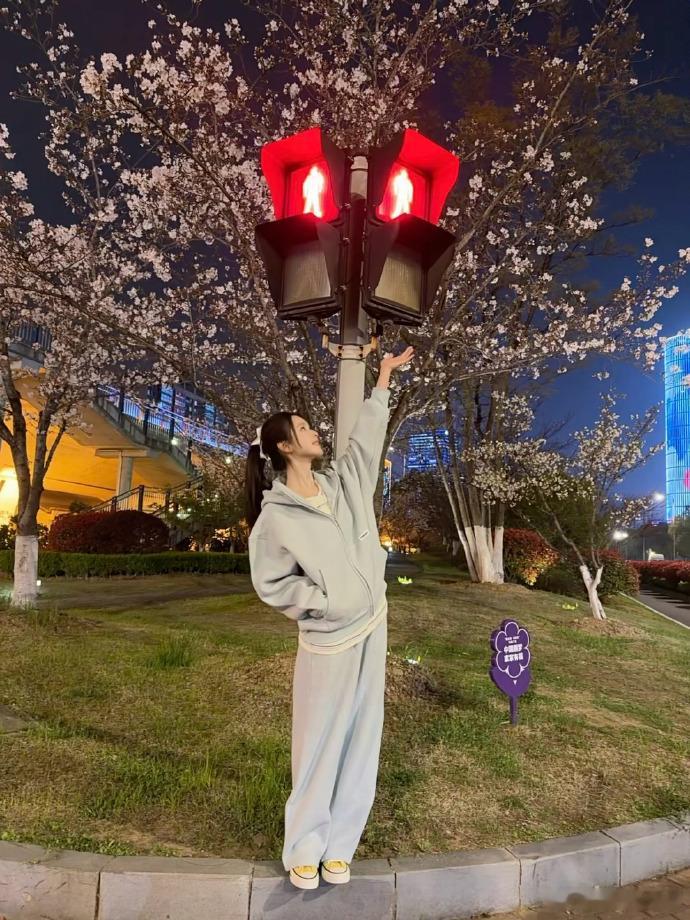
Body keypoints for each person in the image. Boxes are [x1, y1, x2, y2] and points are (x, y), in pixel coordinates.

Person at [245, 346, 414, 890]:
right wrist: (323, 602)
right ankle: (304, 847)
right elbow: (271, 583)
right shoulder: (276, 516)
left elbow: (366, 442)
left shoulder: (343, 484)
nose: (314, 431)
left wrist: (382, 381)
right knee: (319, 739)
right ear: (284, 446)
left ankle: (340, 848)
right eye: (303, 428)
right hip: (328, 637)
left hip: (373, 623)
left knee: (364, 736)